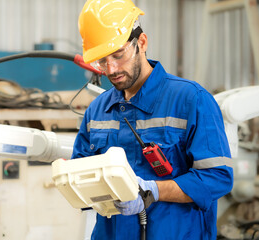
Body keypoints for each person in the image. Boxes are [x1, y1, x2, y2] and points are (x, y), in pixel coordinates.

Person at [71, 0, 234, 239]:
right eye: (102, 61)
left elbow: (217, 178)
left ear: (142, 43)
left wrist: (153, 191)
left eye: (118, 54)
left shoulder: (191, 100)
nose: (112, 68)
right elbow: (80, 180)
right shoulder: (97, 110)